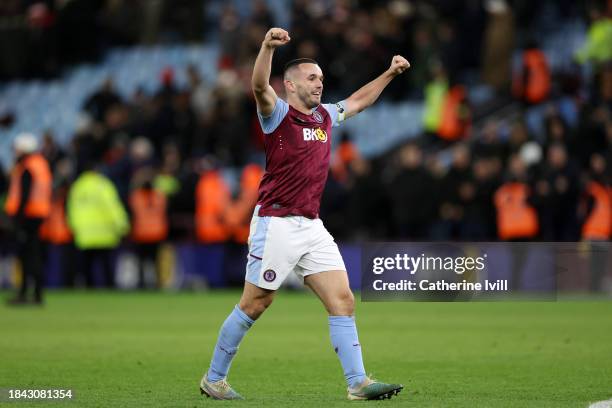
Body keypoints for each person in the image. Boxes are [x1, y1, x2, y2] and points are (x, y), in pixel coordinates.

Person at [199, 28, 409, 401]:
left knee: (343, 300)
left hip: (311, 225)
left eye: (322, 79)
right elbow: (259, 87)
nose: (319, 84)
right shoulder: (277, 114)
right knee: (255, 303)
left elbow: (359, 101)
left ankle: (358, 383)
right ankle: (214, 379)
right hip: (275, 223)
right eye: (312, 78)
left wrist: (389, 73)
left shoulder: (325, 117)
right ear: (290, 86)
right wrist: (265, 47)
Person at [5, 133, 52, 305]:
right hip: (37, 215)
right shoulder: (40, 164)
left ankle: (27, 293)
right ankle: (35, 293)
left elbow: (24, 196)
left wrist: (16, 219)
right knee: (33, 254)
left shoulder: (27, 167)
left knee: (28, 256)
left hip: (28, 217)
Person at [67, 159, 129, 288]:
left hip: (84, 234)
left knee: (87, 266)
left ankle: (89, 288)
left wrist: (74, 227)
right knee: (106, 265)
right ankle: (109, 288)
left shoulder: (78, 186)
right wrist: (123, 226)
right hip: (104, 233)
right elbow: (113, 206)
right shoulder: (103, 185)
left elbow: (71, 209)